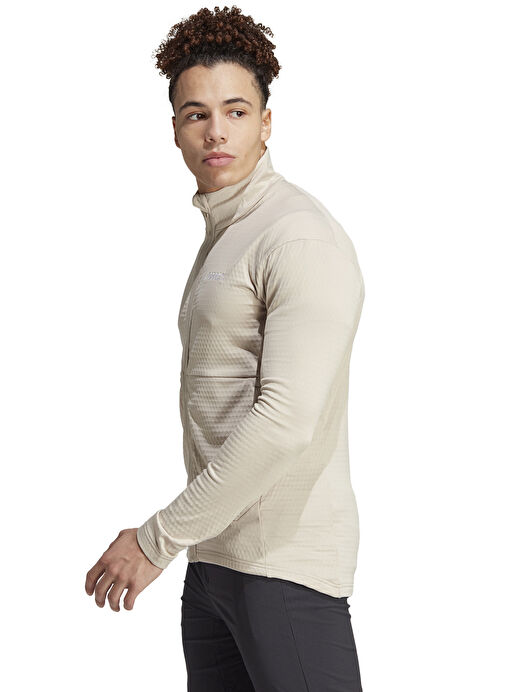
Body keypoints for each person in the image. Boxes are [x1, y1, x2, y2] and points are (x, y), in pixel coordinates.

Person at [85, 6, 365, 691]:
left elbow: (286, 420)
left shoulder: (296, 236)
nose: (216, 131)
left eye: (236, 111)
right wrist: (185, 543)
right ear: (175, 130)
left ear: (266, 122)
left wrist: (155, 539)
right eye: (196, 114)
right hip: (213, 563)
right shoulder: (229, 233)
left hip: (284, 569)